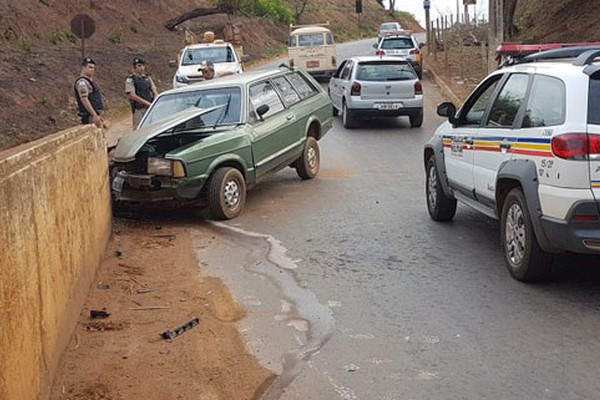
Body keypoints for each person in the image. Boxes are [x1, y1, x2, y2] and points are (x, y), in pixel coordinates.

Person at [125, 57, 159, 128]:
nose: (142, 68)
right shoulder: (130, 79)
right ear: (134, 68)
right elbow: (132, 96)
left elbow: (154, 91)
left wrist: (155, 102)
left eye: (143, 65)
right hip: (139, 109)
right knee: (139, 129)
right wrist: (147, 103)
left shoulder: (147, 78)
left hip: (150, 108)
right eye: (139, 66)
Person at [74, 57, 104, 128]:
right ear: (83, 68)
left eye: (93, 68)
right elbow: (84, 99)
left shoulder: (89, 81)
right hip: (89, 117)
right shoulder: (82, 82)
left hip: (94, 115)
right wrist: (94, 115)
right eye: (90, 67)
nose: (92, 70)